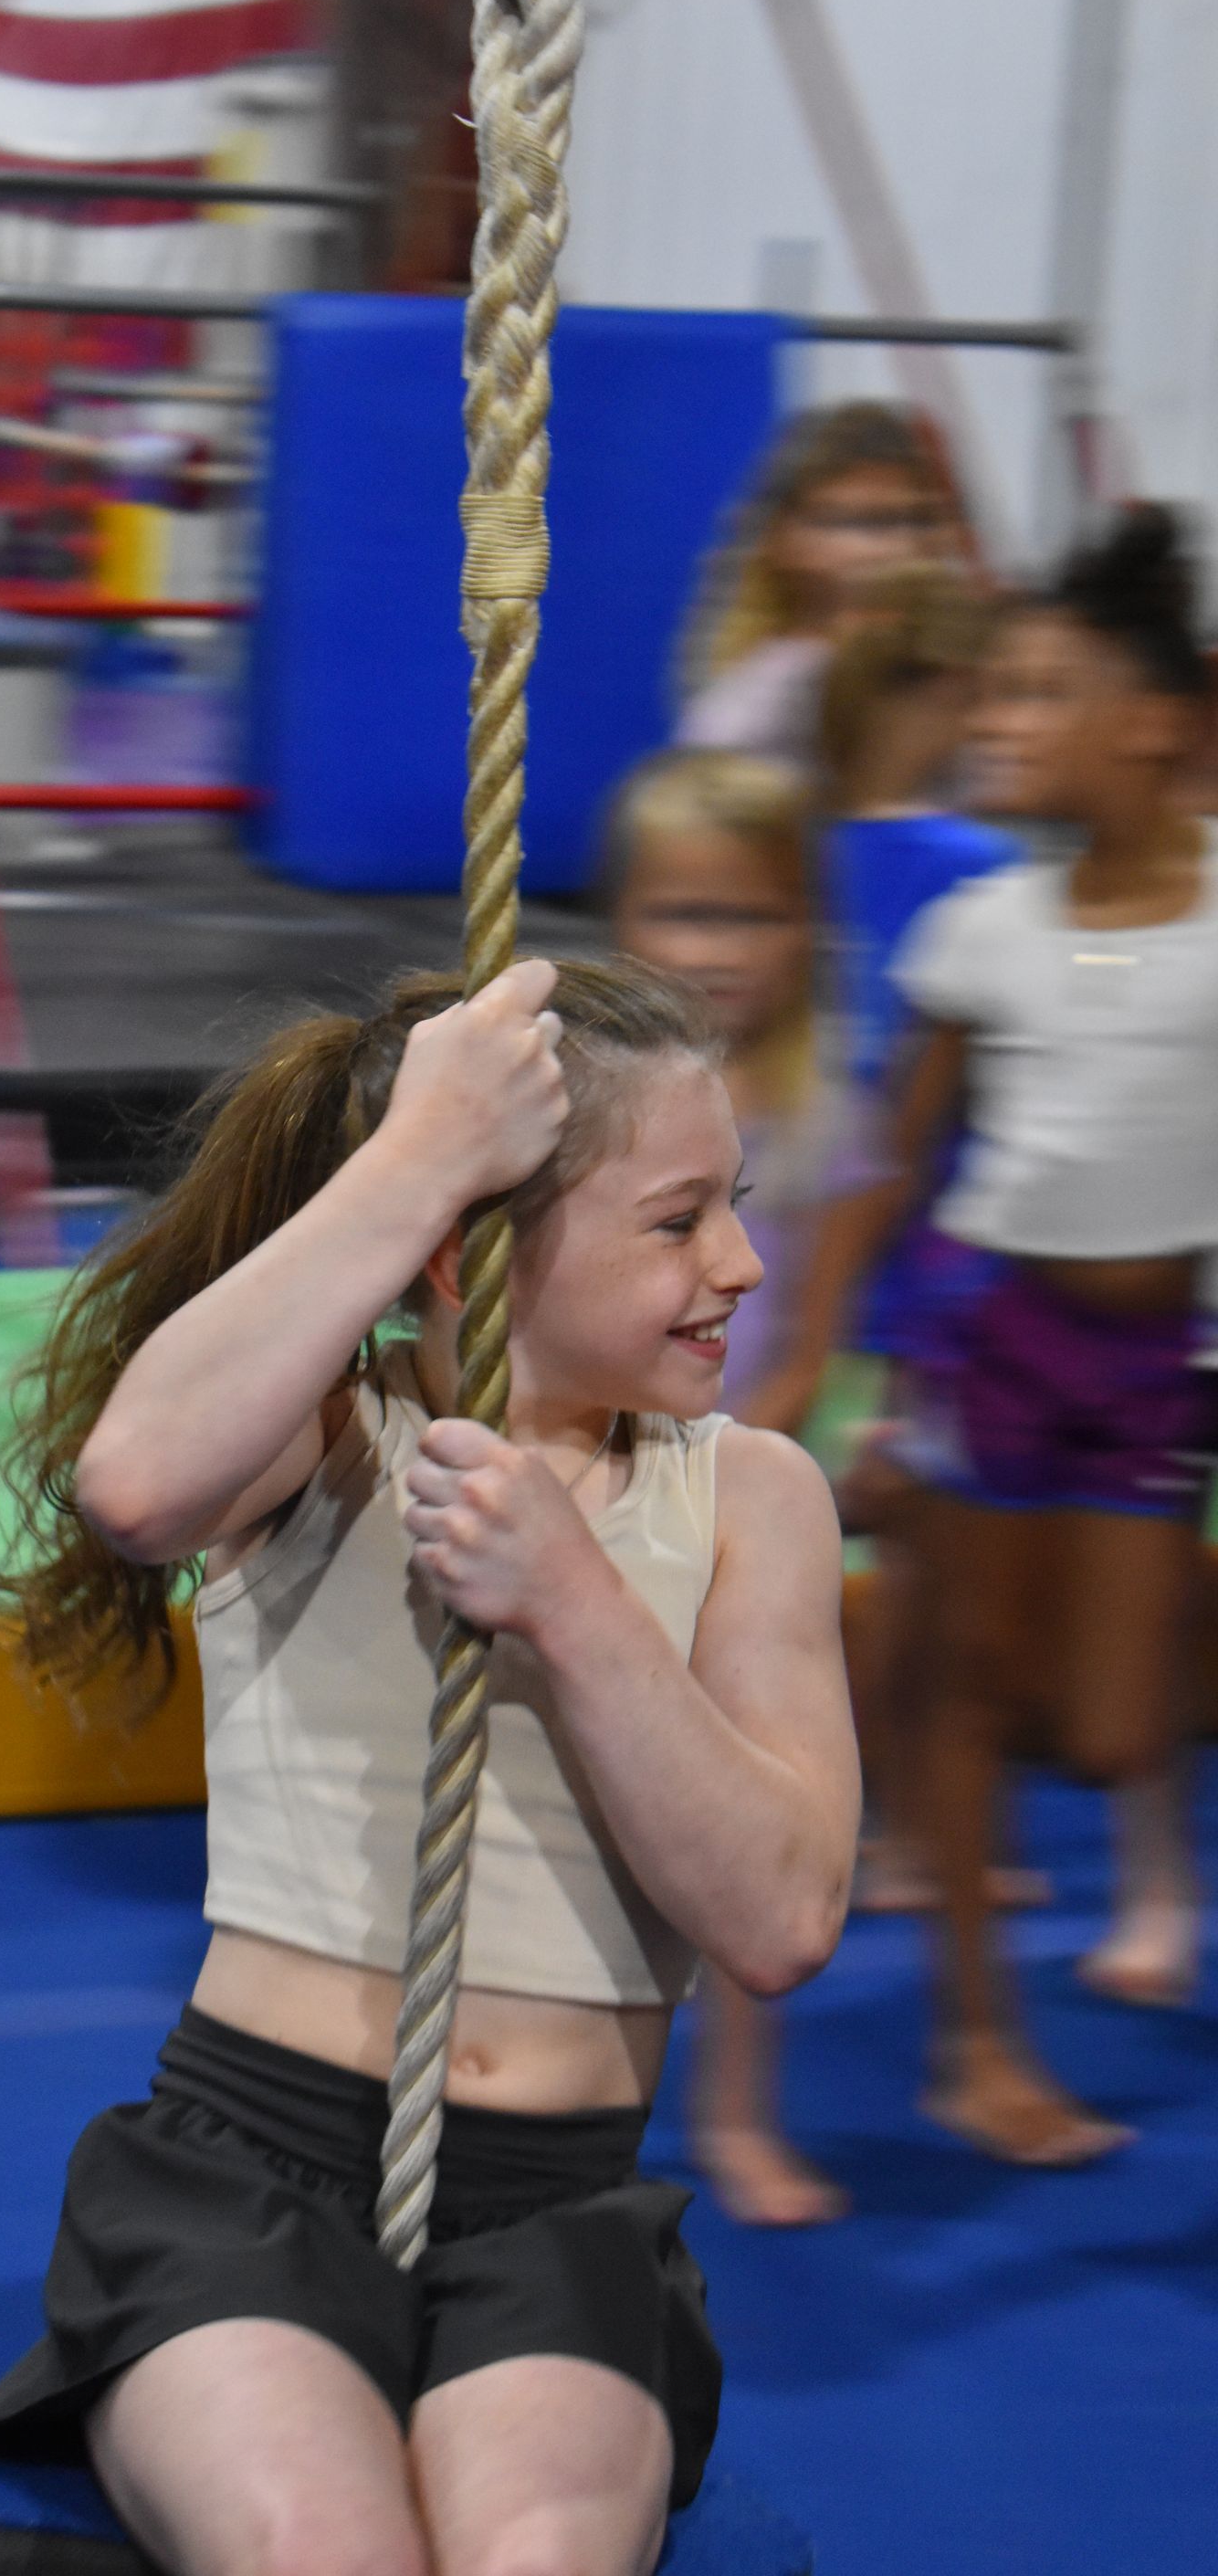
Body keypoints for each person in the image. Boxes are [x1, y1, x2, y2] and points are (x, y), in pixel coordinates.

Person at [0, 955, 861, 2576]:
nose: (742, 1262)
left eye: (740, 1204)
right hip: (247, 2181)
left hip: (557, 2211)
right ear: (465, 1252)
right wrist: (421, 1153)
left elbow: (780, 1919)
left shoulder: (754, 1500)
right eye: (675, 1220)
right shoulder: (328, 1437)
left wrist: (576, 1607)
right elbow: (138, 1489)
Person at [875, 505, 1218, 2162]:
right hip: (991, 1325)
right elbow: (892, 1159)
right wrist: (835, 1363)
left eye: (1043, 690)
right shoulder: (981, 928)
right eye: (991, 691)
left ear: (1154, 721)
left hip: (1156, 1366)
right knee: (969, 1682)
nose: (998, 719)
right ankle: (973, 2045)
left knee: (1115, 1730)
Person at [607, 750, 883, 2226]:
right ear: (622, 922)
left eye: (750, 917)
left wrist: (714, 1482)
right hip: (604, 1478)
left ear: (808, 930)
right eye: (681, 914)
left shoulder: (826, 1116)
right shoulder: (595, 1109)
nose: (714, 952)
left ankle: (740, 2112)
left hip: (742, 1504)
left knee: (756, 1828)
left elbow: (808, 1346)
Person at [812, 567, 1024, 1913]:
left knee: (885, 1536)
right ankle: (889, 1827)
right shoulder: (971, 864)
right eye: (997, 695)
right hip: (940, 1241)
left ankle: (893, 1823)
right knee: (922, 1547)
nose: (1006, 725)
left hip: (858, 1219)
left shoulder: (828, 841)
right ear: (940, 697)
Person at [677, 401, 963, 771]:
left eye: (921, 519)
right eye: (870, 522)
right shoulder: (749, 715)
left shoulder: (956, 686)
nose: (903, 547)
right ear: (785, 538)